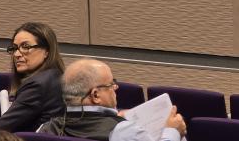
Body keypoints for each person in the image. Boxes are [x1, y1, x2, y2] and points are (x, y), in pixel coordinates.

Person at [39, 58, 187, 141]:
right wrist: (172, 131)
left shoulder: (46, 129)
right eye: (111, 84)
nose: (115, 88)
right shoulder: (123, 131)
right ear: (96, 95)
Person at [0, 22, 65, 132]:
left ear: (46, 51)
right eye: (14, 48)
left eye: (26, 47)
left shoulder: (38, 85)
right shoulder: (56, 75)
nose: (16, 54)